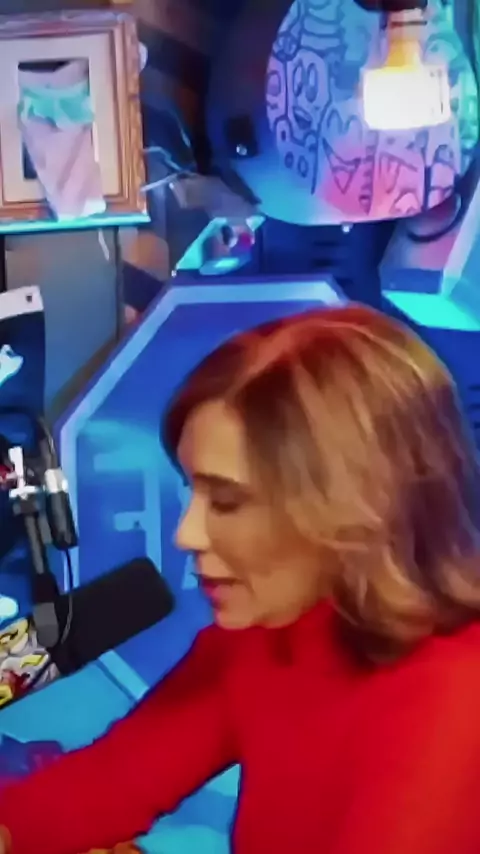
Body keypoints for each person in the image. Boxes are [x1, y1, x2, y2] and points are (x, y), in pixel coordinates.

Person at [2, 303, 480, 854]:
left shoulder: (456, 696)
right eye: (193, 491)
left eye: (226, 501)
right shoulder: (260, 642)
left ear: (355, 506)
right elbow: (94, 792)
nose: (186, 534)